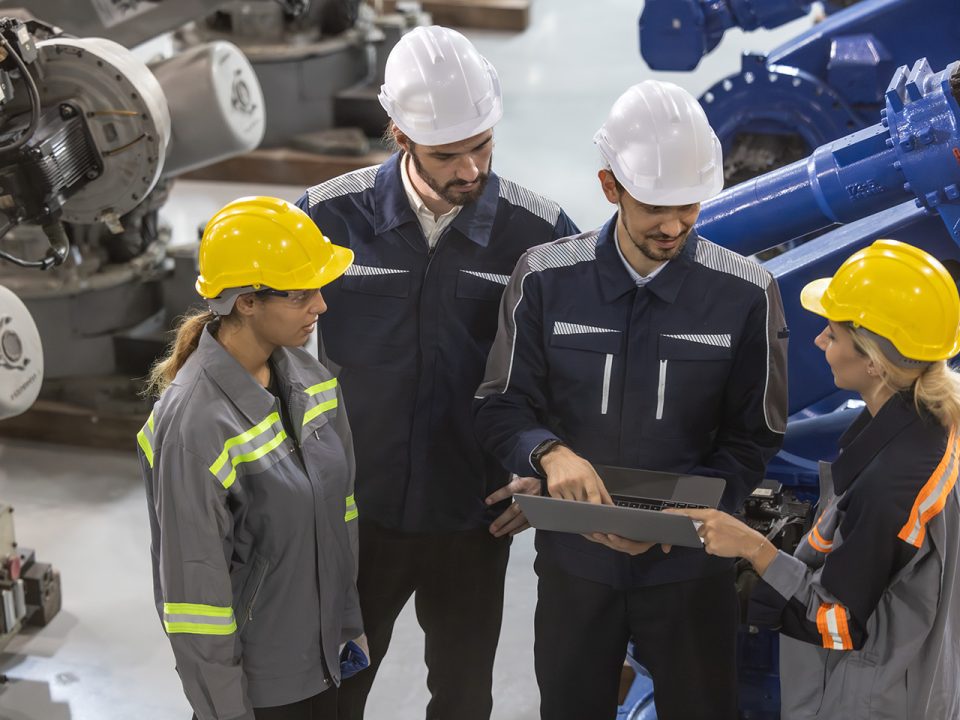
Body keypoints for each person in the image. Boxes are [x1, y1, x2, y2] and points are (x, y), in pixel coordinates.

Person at [473, 79, 789, 720]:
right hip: (576, 564)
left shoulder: (746, 294)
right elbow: (501, 404)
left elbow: (753, 437)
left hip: (691, 568)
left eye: (688, 207)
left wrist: (681, 521)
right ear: (609, 186)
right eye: (653, 207)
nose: (673, 226)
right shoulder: (546, 278)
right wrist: (550, 454)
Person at [294, 25, 579, 720]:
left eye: (482, 145)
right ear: (400, 136)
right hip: (357, 514)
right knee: (334, 694)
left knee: (463, 697)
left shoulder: (538, 235)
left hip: (474, 516)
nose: (470, 170)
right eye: (447, 155)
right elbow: (265, 346)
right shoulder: (326, 219)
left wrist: (542, 467)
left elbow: (576, 365)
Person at [672, 239, 960, 720]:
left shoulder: (893, 482)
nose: (819, 342)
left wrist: (753, 548)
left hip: (870, 704)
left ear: (874, 361)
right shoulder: (936, 426)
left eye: (833, 333)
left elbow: (837, 622)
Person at [137, 196, 363, 720]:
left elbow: (340, 516)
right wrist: (225, 711)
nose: (321, 305)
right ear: (246, 302)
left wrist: (347, 627)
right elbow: (194, 598)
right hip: (258, 688)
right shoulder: (195, 425)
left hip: (323, 662)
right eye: (300, 293)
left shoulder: (311, 380)